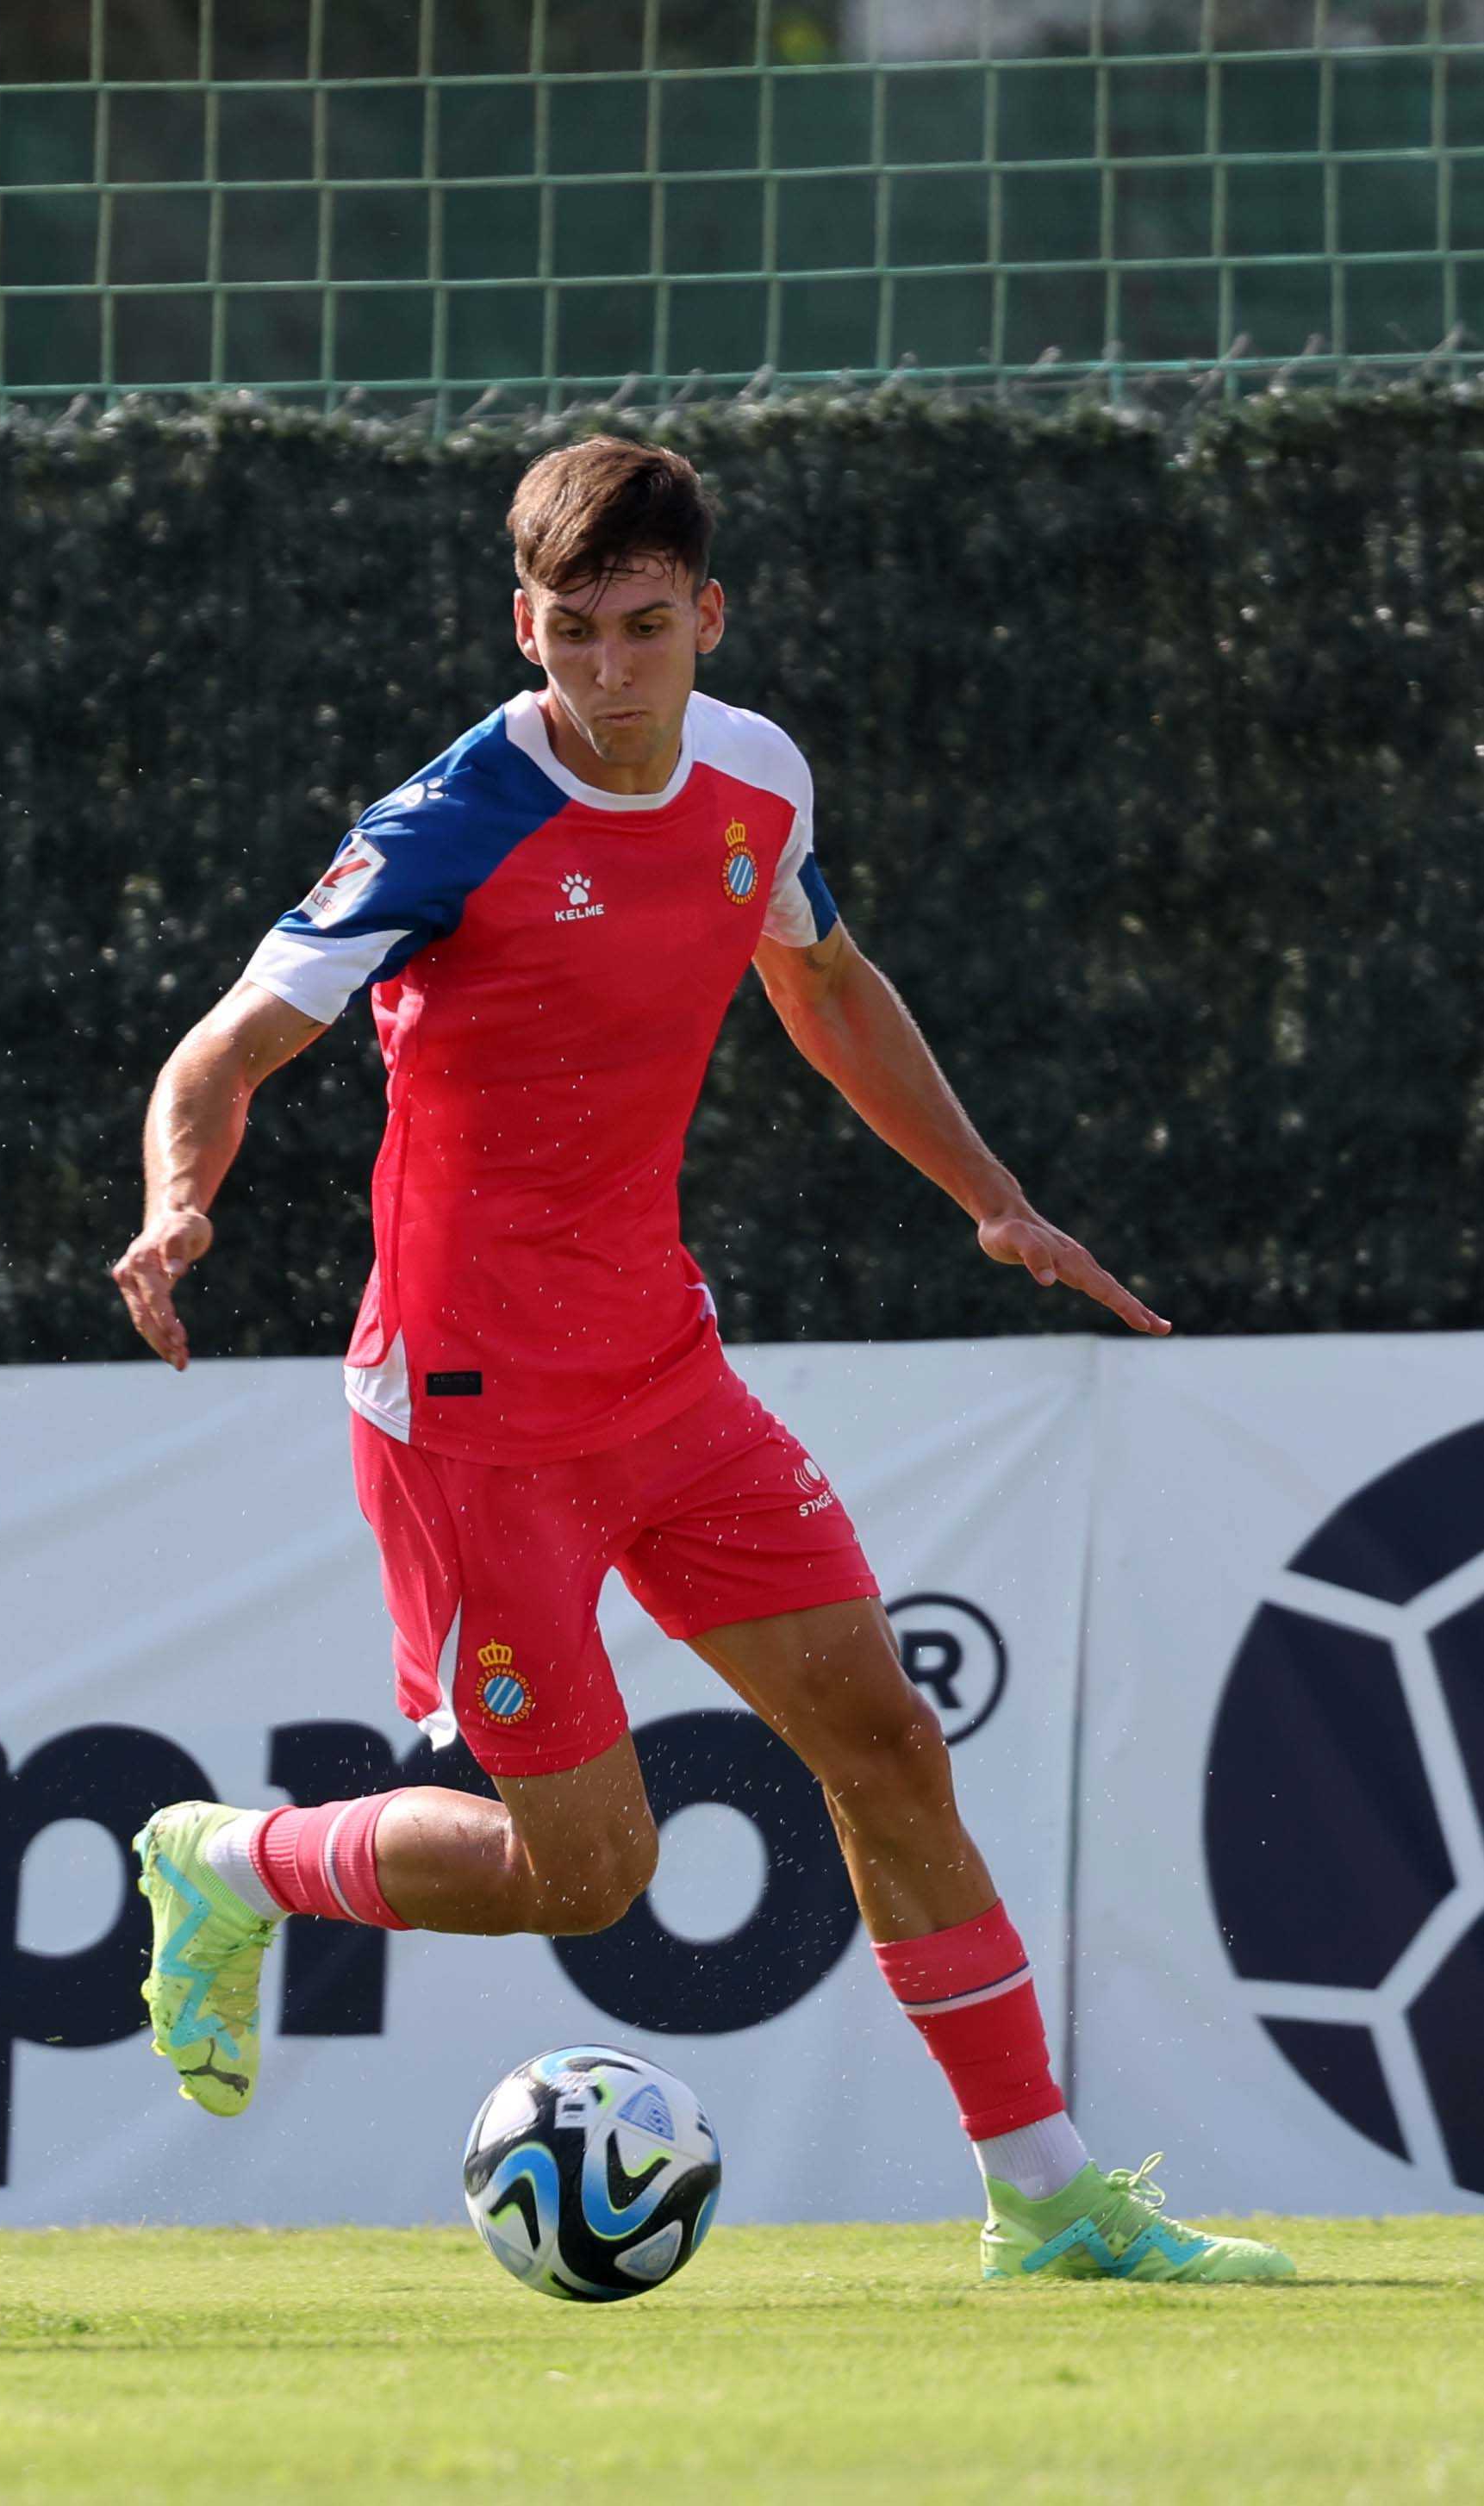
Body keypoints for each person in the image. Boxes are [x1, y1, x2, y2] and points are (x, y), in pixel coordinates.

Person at [112, 436, 1286, 2286]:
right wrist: (179, 1204)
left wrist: (993, 1199)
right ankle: (232, 1860)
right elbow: (223, 1051)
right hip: (472, 1420)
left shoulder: (755, 775)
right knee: (585, 1876)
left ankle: (1048, 2198)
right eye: (570, 630)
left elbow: (818, 978)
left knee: (886, 1742)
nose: (607, 668)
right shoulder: (446, 822)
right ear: (523, 625)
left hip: (665, 1379)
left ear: (706, 618)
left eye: (642, 627)